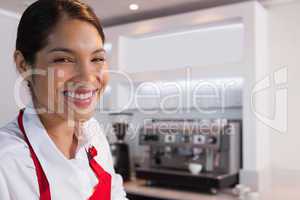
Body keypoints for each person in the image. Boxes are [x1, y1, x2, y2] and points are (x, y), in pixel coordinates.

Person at [0, 0, 128, 199]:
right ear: (24, 65)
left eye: (97, 59)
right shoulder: (6, 162)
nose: (87, 77)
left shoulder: (94, 135)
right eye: (63, 59)